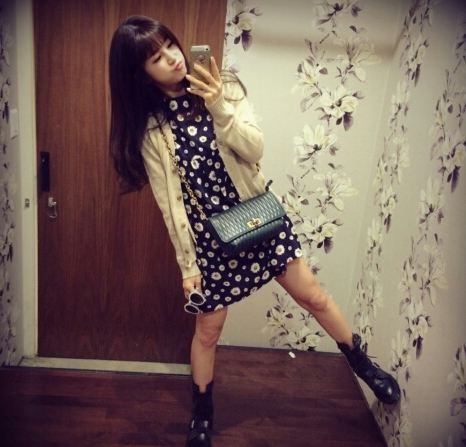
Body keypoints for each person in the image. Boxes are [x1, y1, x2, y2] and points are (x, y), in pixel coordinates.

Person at [109, 15, 400, 447]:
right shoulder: (152, 129)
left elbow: (254, 147)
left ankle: (364, 365)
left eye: (170, 45)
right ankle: (202, 412)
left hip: (259, 218)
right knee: (208, 331)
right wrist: (188, 266)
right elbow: (171, 206)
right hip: (210, 242)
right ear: (140, 73)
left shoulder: (221, 87)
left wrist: (217, 104)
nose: (172, 58)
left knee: (314, 297)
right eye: (156, 57)